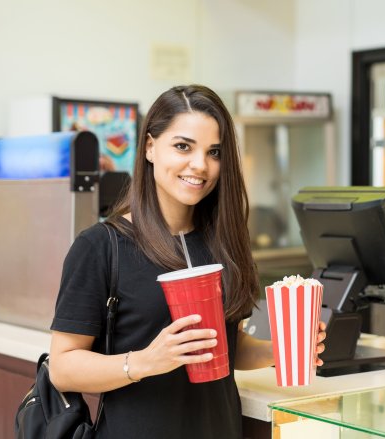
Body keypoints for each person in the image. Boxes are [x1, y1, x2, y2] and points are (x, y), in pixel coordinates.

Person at [48, 84, 326, 438]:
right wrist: (147, 361)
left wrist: (282, 350)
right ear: (150, 147)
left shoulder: (223, 242)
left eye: (214, 152)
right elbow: (63, 366)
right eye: (183, 146)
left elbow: (225, 346)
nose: (200, 165)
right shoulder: (101, 246)